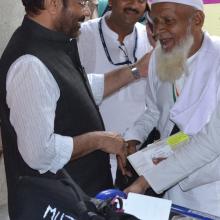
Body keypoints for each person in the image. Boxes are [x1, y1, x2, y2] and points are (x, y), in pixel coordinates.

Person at [0, 0, 150, 218]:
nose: (87, 11)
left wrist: (136, 70)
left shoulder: (51, 44)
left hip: (79, 199)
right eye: (80, 3)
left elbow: (76, 89)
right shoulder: (29, 63)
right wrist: (98, 140)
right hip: (58, 207)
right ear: (52, 3)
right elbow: (39, 153)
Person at [124, 0, 220, 217]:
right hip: (170, 190)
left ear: (197, 20)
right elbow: (155, 111)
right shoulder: (159, 57)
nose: (158, 31)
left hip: (211, 195)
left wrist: (145, 181)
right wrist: (134, 137)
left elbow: (213, 140)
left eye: (168, 21)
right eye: (155, 22)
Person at [77, 0, 152, 183]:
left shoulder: (151, 38)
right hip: (92, 159)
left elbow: (155, 105)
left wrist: (133, 140)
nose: (134, 4)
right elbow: (75, 95)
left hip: (138, 157)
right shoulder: (82, 35)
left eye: (141, 0)